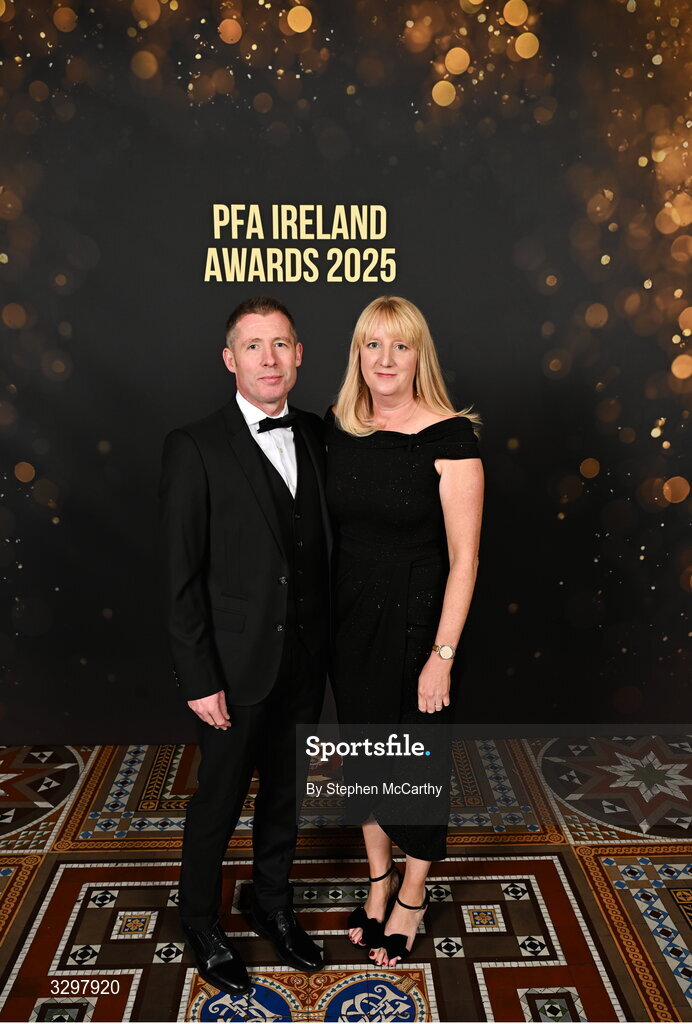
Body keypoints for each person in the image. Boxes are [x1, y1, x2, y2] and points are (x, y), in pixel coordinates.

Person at [159, 296, 330, 995]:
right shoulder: (195, 445)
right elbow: (179, 576)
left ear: (298, 357)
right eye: (254, 346)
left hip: (304, 658)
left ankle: (271, 901)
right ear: (230, 360)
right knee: (219, 800)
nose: (269, 357)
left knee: (287, 794)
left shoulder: (318, 433)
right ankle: (199, 917)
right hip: (231, 665)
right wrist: (199, 676)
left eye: (281, 344)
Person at [324, 295, 484, 967]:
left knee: (415, 766)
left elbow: (465, 559)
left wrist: (441, 656)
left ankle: (413, 894)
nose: (386, 360)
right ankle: (379, 879)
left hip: (422, 620)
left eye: (401, 346)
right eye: (373, 345)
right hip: (350, 617)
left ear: (420, 356)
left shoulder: (451, 437)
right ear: (357, 355)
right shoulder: (335, 427)